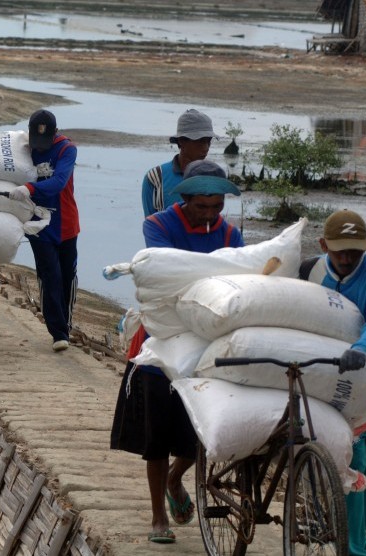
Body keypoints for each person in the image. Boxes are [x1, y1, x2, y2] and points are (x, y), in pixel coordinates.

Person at [111, 159, 243, 545]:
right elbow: (169, 274)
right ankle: (157, 518)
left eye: (216, 207)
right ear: (184, 199)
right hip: (161, 343)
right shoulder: (158, 227)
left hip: (206, 343)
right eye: (202, 206)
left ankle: (175, 477)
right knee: (158, 438)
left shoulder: (231, 235)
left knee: (199, 435)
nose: (209, 215)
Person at [299, 209, 366, 556]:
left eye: (354, 251)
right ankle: (355, 549)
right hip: (336, 386)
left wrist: (362, 348)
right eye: (339, 250)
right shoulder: (311, 272)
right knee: (352, 460)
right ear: (323, 244)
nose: (346, 258)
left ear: (365, 247)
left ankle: (360, 539)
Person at [9, 110, 79, 352]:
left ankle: (66, 324)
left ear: (55, 133)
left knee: (67, 278)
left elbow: (59, 182)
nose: (39, 147)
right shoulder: (25, 148)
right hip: (38, 223)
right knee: (50, 276)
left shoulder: (66, 150)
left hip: (66, 223)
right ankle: (58, 333)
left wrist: (29, 188)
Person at [142, 108, 217, 217]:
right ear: (181, 141)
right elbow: (150, 225)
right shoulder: (155, 177)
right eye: (200, 141)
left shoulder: (212, 177)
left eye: (208, 141)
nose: (206, 148)